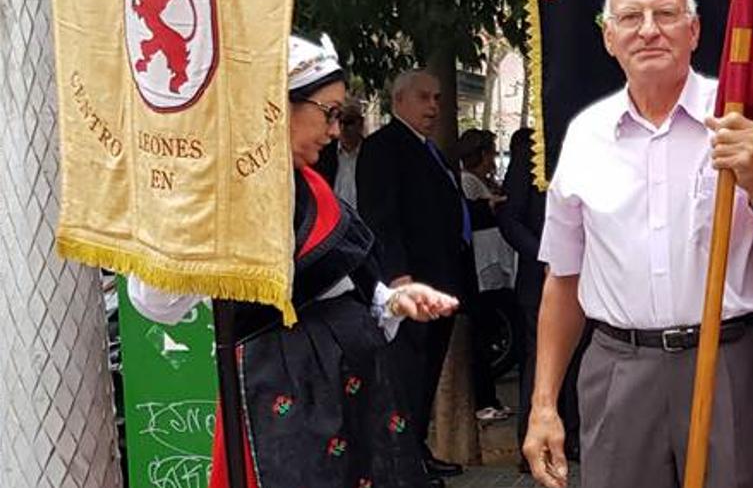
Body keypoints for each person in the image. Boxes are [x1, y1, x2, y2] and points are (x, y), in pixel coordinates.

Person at [129, 33, 459, 488]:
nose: (333, 131)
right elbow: (154, 301)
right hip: (281, 395)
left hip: (353, 386)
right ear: (277, 106)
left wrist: (396, 301)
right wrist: (197, 211)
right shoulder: (217, 192)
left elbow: (352, 286)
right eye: (329, 114)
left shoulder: (312, 189)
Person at [522, 0, 753, 488]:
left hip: (731, 364)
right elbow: (564, 277)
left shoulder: (739, 123)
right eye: (630, 17)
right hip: (620, 372)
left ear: (694, 31)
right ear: (608, 37)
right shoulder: (586, 135)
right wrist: (543, 403)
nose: (648, 29)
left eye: (666, 14)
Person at [355, 70, 475, 480]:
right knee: (406, 375)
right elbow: (382, 219)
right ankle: (401, 460)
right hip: (410, 286)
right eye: (424, 98)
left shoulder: (429, 149)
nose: (433, 108)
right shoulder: (383, 147)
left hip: (441, 280)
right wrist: (399, 278)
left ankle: (416, 448)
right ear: (399, 100)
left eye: (438, 99)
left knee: (426, 375)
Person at [498, 128, 584, 470]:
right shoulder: (533, 149)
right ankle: (533, 445)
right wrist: (548, 256)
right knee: (540, 359)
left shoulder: (593, 138)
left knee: (584, 359)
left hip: (589, 278)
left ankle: (576, 437)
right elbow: (510, 218)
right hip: (541, 278)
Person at [455, 128, 514, 422]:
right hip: (481, 265)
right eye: (490, 152)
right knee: (481, 332)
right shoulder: (466, 183)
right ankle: (483, 399)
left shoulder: (483, 181)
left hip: (492, 264)